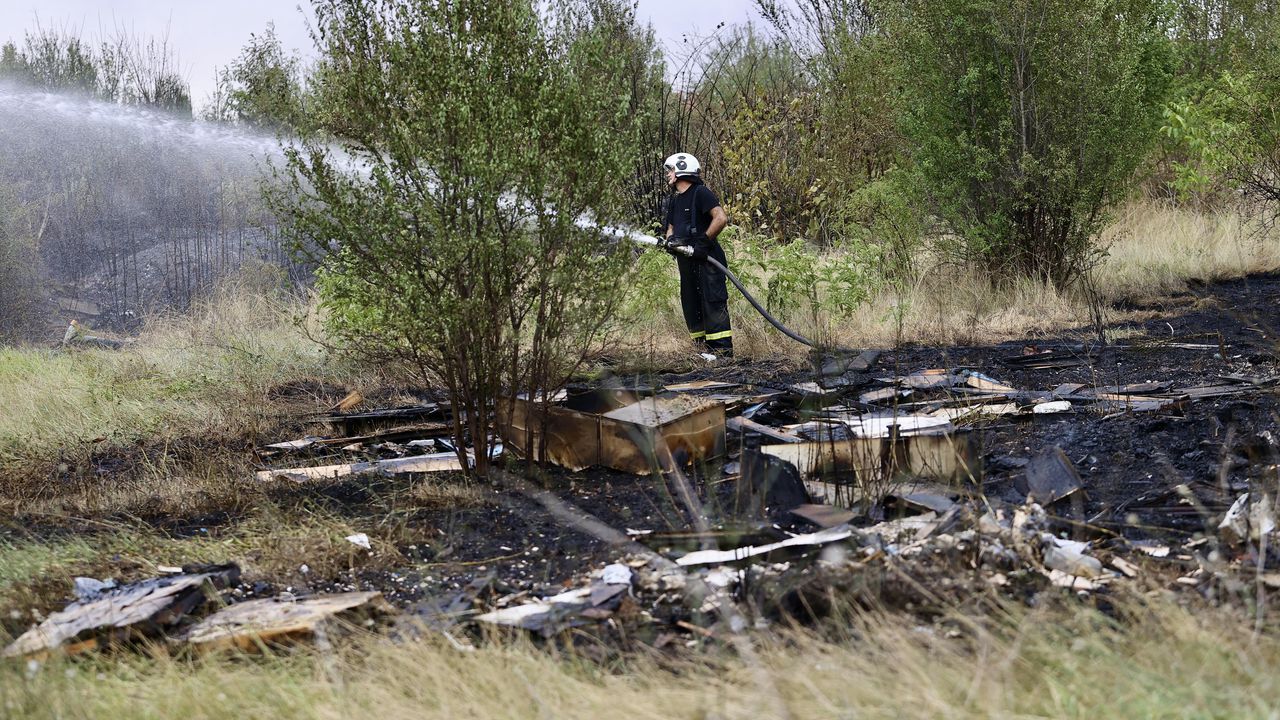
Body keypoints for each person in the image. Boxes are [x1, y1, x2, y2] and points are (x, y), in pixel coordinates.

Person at [662, 152, 732, 358]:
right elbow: (671, 227)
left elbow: (720, 218)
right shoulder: (675, 200)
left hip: (707, 262)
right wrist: (670, 241)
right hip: (687, 262)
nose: (668, 174)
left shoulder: (701, 193)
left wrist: (703, 241)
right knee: (692, 304)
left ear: (682, 170)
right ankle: (702, 353)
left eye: (671, 170)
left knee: (712, 303)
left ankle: (721, 353)